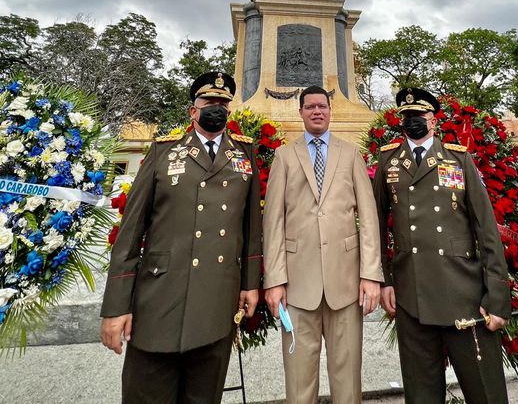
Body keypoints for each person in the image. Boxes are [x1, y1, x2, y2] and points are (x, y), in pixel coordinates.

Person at [100, 72, 262, 404]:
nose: (216, 108)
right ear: (193, 111)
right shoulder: (164, 151)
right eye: (208, 103)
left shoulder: (245, 154)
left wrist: (249, 284)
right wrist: (116, 306)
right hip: (160, 299)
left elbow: (251, 228)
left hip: (216, 300)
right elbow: (130, 231)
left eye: (222, 104)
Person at [374, 87, 511, 404]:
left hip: (462, 292)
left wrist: (497, 297)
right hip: (412, 295)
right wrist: (385, 281)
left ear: (433, 120)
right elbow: (376, 227)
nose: (413, 121)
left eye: (419, 116)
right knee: (421, 393)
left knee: (485, 391)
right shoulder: (388, 160)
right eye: (407, 116)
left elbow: (486, 229)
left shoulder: (457, 157)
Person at [263, 85, 383, 404]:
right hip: (299, 286)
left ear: (331, 111)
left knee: (347, 379)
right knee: (300, 381)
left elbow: (368, 218)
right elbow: (273, 222)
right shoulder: (284, 156)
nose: (317, 111)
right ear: (300, 112)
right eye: (310, 106)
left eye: (323, 106)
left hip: (344, 283)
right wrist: (275, 280)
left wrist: (370, 275)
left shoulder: (350, 153)